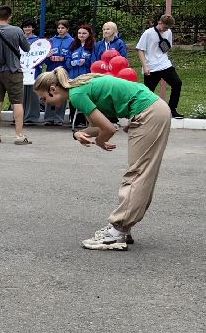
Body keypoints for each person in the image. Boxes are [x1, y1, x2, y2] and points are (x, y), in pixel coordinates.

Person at [35, 68, 173, 250]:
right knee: (142, 172)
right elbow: (98, 126)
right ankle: (123, 229)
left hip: (148, 113)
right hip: (152, 110)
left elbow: (108, 129)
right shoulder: (79, 87)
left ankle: (117, 231)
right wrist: (79, 134)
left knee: (138, 173)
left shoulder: (77, 95)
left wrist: (100, 141)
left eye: (44, 98)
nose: (47, 103)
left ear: (53, 89)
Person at [0, 5, 32, 145]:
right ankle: (19, 135)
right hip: (13, 71)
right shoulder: (16, 31)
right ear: (10, 17)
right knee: (17, 102)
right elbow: (27, 48)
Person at [137, 14, 184, 119]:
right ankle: (144, 112)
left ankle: (172, 109)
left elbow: (167, 48)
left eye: (168, 28)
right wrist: (145, 66)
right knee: (148, 92)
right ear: (160, 23)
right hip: (151, 66)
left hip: (164, 64)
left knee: (177, 83)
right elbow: (140, 50)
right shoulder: (148, 33)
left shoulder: (168, 32)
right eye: (164, 27)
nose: (165, 30)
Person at [43, 20, 74, 125]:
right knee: (50, 92)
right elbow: (45, 57)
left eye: (63, 28)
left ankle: (58, 118)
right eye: (59, 28)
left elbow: (71, 56)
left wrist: (64, 59)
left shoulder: (72, 41)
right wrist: (49, 58)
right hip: (51, 70)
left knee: (61, 93)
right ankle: (48, 118)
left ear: (67, 29)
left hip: (63, 71)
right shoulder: (52, 40)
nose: (60, 30)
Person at [20, 20, 45, 125]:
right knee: (20, 95)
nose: (27, 29)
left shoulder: (38, 40)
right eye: (25, 27)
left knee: (33, 95)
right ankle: (19, 117)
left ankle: (32, 117)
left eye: (29, 27)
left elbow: (42, 55)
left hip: (34, 71)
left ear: (33, 28)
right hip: (21, 70)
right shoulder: (19, 39)